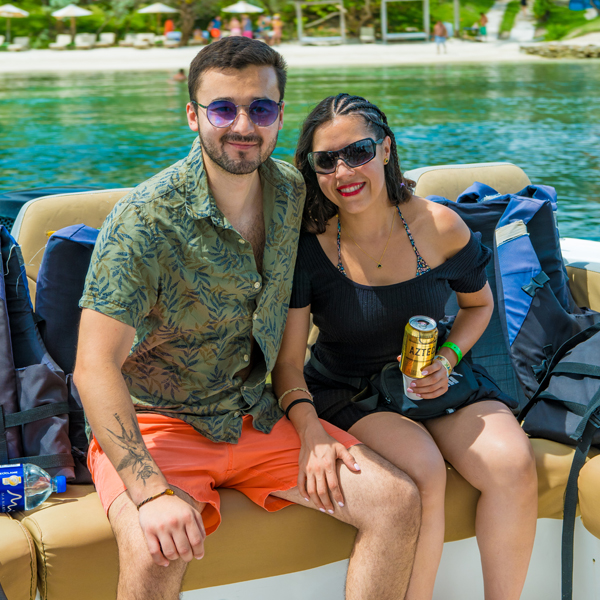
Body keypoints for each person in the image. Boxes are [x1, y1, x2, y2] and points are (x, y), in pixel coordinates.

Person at [74, 39, 420, 600]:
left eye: (260, 108)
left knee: (395, 500)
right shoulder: (143, 221)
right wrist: (150, 490)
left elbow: (373, 208)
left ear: (279, 115)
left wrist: (447, 246)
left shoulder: (293, 191)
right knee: (155, 549)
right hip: (160, 424)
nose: (242, 125)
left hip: (259, 415)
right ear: (193, 116)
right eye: (222, 109)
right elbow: (93, 366)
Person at [272, 92, 538, 600]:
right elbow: (288, 364)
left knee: (513, 464)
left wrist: (447, 357)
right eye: (326, 161)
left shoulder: (439, 226)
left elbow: (478, 306)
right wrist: (310, 432)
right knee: (425, 470)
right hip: (352, 390)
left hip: (432, 379)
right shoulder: (309, 246)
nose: (344, 171)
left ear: (386, 149)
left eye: (358, 152)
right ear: (313, 170)